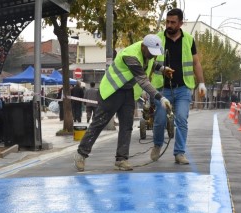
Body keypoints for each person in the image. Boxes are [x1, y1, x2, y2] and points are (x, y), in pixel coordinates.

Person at [74, 34, 173, 172]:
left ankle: (121, 159)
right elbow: (143, 81)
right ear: (144, 47)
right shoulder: (131, 55)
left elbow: (150, 63)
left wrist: (162, 69)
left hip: (127, 91)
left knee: (127, 125)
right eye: (151, 53)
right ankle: (81, 154)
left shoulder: (147, 53)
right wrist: (160, 97)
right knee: (99, 123)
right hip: (112, 90)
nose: (153, 56)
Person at [149, 8, 206, 165]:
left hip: (182, 88)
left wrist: (201, 82)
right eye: (167, 21)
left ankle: (179, 153)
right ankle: (157, 145)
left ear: (181, 23)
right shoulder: (158, 39)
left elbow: (196, 62)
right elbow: (149, 62)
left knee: (181, 119)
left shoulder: (188, 39)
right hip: (161, 89)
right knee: (160, 120)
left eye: (173, 22)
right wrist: (160, 70)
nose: (169, 25)